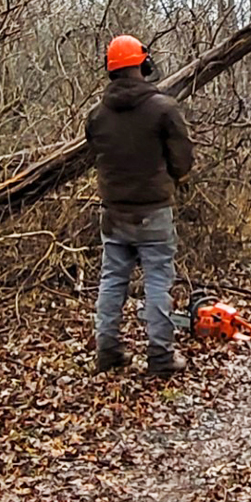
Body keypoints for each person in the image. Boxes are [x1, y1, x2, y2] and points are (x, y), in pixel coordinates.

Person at [85, 34, 195, 376]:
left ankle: (108, 351)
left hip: (114, 213)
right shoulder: (164, 109)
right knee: (158, 281)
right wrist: (170, 178)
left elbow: (96, 157)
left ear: (110, 70)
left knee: (112, 280)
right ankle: (160, 357)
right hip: (154, 212)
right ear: (143, 64)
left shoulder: (96, 116)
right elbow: (183, 162)